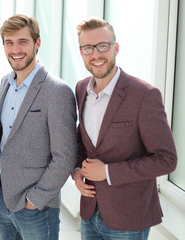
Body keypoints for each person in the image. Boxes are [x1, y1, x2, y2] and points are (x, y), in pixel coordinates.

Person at [73, 17, 177, 240]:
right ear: (81, 52)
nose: (96, 54)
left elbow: (166, 159)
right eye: (88, 48)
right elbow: (84, 141)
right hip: (90, 212)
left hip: (129, 218)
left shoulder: (144, 95)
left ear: (115, 48)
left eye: (103, 46)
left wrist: (108, 172)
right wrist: (77, 171)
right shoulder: (81, 88)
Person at [0, 14, 77, 240]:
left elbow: (65, 156)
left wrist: (35, 199)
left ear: (37, 43)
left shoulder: (57, 91)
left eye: (23, 41)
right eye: (9, 43)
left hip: (35, 205)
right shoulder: (6, 82)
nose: (15, 49)